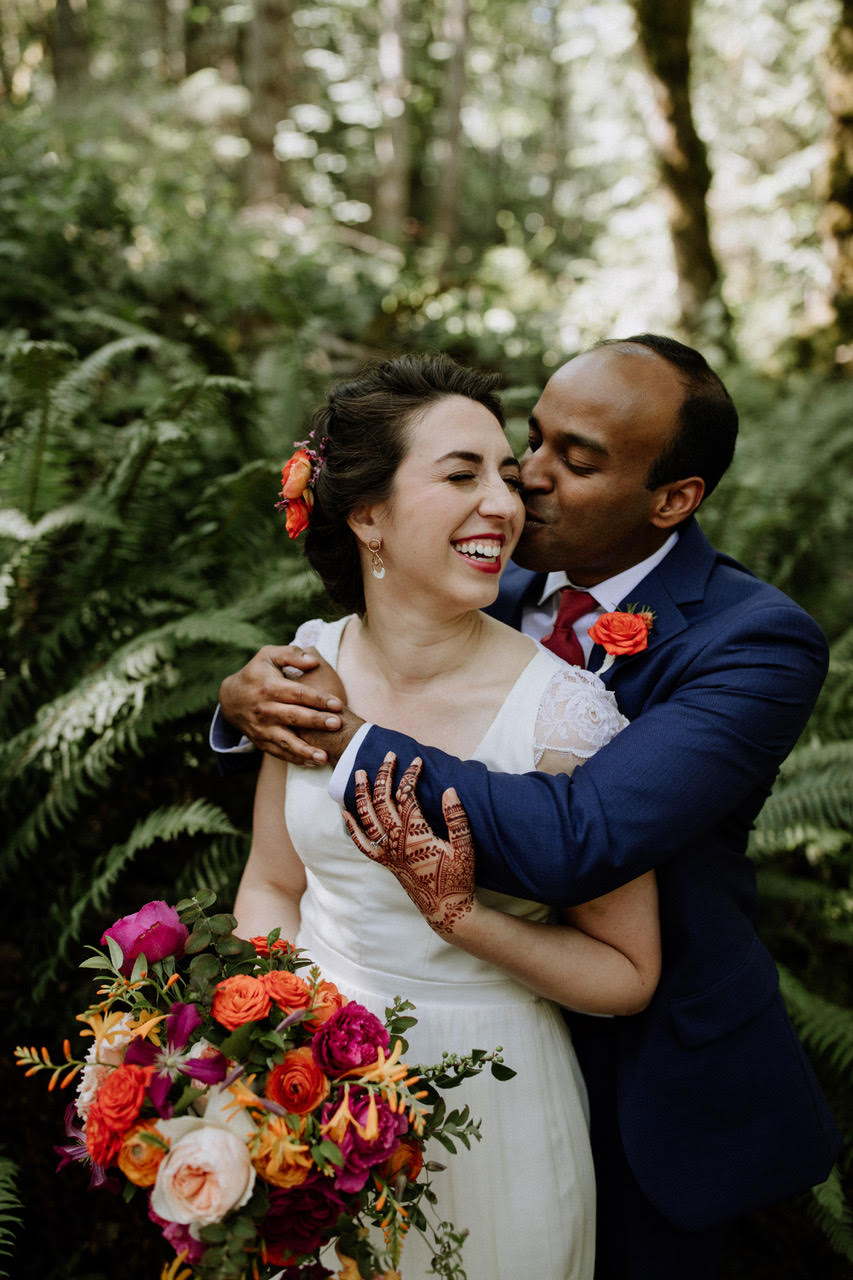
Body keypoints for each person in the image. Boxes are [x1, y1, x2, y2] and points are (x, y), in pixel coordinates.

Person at [214, 335, 842, 1280]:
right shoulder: (471, 577)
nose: (526, 484)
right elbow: (287, 839)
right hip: (357, 1062)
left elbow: (580, 835)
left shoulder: (754, 642)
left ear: (673, 499)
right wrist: (246, 706)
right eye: (527, 446)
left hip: (643, 1073)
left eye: (573, 460)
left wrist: (349, 739)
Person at [231, 353, 663, 1280]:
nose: (504, 504)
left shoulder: (567, 715)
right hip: (310, 1100)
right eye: (461, 474)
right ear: (367, 514)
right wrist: (269, 1044)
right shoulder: (303, 672)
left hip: (494, 1103)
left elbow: (626, 972)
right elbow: (272, 882)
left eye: (504, 477)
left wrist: (461, 919)